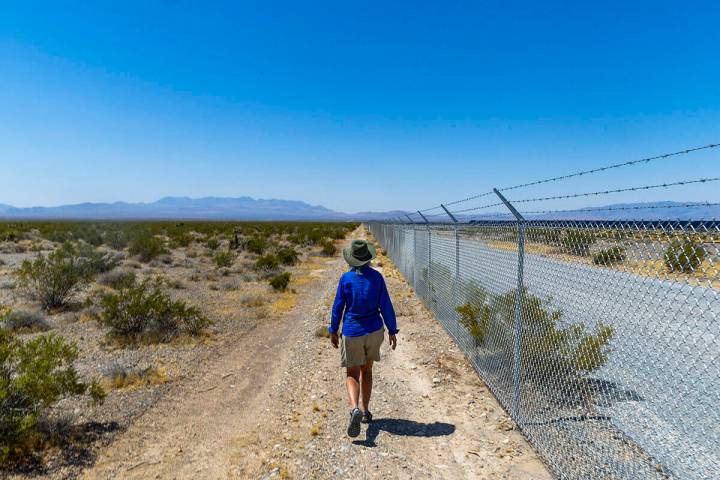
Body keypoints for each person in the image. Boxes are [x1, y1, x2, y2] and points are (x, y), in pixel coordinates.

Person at [329, 239, 399, 438]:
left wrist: (333, 330)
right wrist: (392, 330)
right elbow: (386, 305)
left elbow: (337, 308)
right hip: (374, 331)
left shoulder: (346, 279)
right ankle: (366, 412)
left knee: (352, 373)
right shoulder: (377, 278)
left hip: (352, 332)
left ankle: (354, 409)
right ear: (368, 259)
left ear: (351, 260)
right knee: (367, 371)